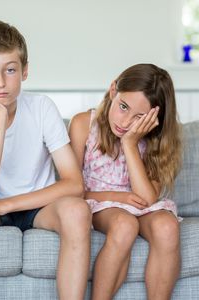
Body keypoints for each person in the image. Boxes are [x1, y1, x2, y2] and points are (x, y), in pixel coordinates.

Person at [0, 20, 92, 300]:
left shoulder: (42, 107)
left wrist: (8, 204)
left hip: (39, 206)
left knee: (77, 210)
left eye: (10, 70)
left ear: (25, 70)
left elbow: (74, 184)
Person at [68, 63, 182, 300]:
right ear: (113, 91)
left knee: (167, 227)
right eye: (123, 107)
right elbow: (72, 190)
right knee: (124, 224)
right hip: (100, 202)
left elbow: (147, 198)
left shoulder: (153, 140)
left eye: (139, 117)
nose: (126, 121)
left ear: (154, 119)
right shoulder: (83, 125)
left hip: (140, 203)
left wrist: (130, 144)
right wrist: (117, 198)